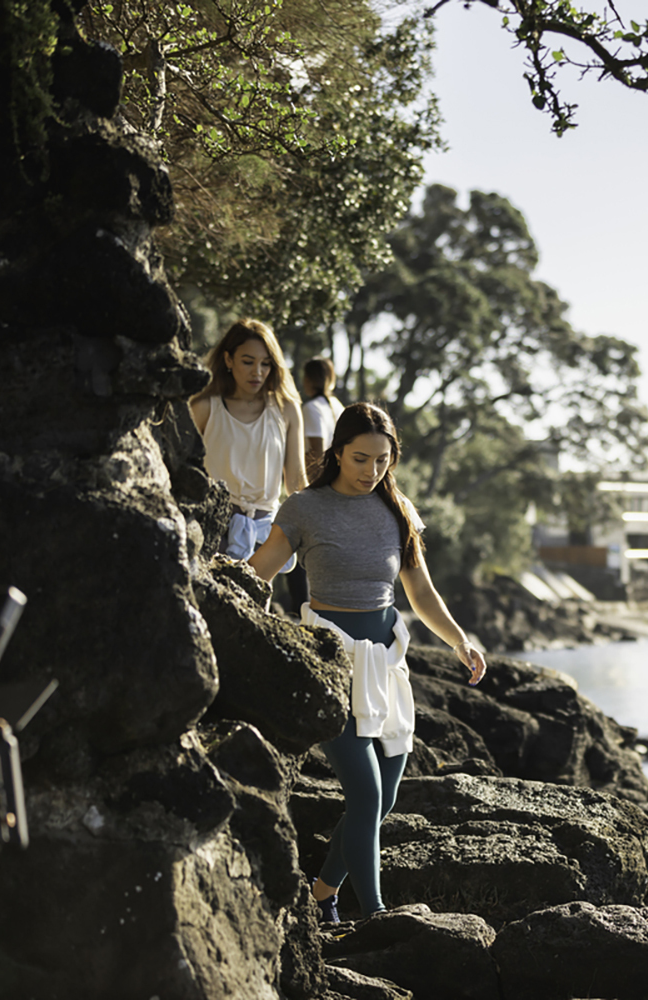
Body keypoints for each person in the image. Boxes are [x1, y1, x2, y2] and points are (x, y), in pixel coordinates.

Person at [248, 402, 487, 922]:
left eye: (381, 460)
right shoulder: (304, 508)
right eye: (360, 458)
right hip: (331, 663)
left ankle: (322, 893)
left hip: (387, 665)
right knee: (365, 792)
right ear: (336, 453)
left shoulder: (397, 509)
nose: (370, 470)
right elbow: (259, 570)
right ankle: (377, 916)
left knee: (385, 798)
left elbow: (419, 591)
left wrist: (459, 640)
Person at [190, 318, 307, 563]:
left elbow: (296, 481)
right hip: (213, 526)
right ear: (228, 360)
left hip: (266, 536)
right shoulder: (203, 407)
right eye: (248, 361)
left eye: (266, 364)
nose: (257, 372)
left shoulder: (287, 410)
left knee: (256, 602)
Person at [301, 356, 344, 482]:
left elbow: (316, 453)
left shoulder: (311, 408)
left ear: (309, 379)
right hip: (338, 477)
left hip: (321, 480)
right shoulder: (338, 405)